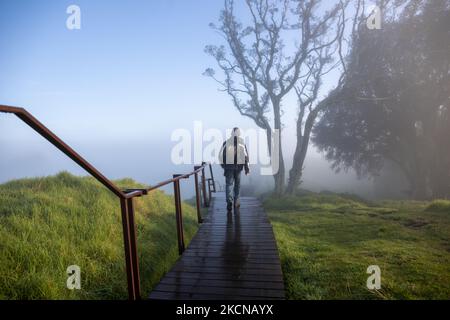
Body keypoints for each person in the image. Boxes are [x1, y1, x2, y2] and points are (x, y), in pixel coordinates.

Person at [218, 127, 250, 211]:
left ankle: (229, 202)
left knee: (229, 184)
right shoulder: (242, 143)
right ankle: (236, 201)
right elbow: (246, 157)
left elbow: (220, 155)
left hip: (229, 167)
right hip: (238, 167)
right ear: (239, 134)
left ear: (232, 133)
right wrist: (247, 169)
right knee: (237, 185)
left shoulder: (226, 142)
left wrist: (223, 166)